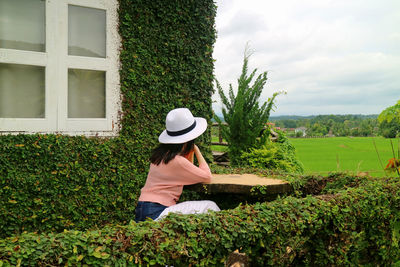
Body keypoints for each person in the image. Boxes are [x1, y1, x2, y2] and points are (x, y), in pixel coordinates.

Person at [135, 108, 220, 222]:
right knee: (211, 206)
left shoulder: (161, 156)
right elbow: (207, 176)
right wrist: (196, 150)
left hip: (144, 209)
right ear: (188, 140)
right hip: (158, 212)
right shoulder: (177, 160)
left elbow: (188, 170)